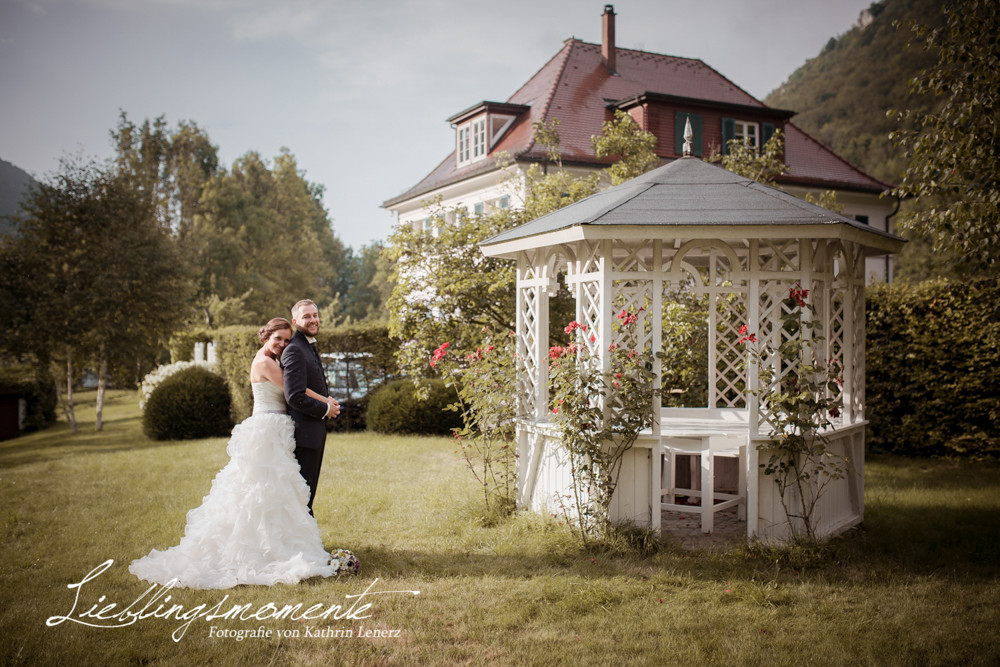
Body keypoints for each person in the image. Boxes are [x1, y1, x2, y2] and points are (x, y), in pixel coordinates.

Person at [129, 318, 357, 589]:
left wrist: (324, 400)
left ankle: (276, 543)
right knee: (259, 491)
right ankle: (257, 549)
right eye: (278, 339)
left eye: (286, 339)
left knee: (276, 491)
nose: (283, 344)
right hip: (267, 429)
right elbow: (293, 391)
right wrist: (326, 401)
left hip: (276, 429)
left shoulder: (270, 358)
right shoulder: (265, 362)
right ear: (265, 337)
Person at [282, 299, 338, 514]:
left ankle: (306, 539)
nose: (313, 319)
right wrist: (325, 409)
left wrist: (326, 399)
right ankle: (303, 542)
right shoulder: (295, 350)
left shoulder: (307, 345)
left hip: (313, 432)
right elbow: (295, 395)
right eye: (306, 316)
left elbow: (308, 386)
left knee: (307, 492)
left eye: (315, 315)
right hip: (303, 434)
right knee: (302, 493)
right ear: (295, 321)